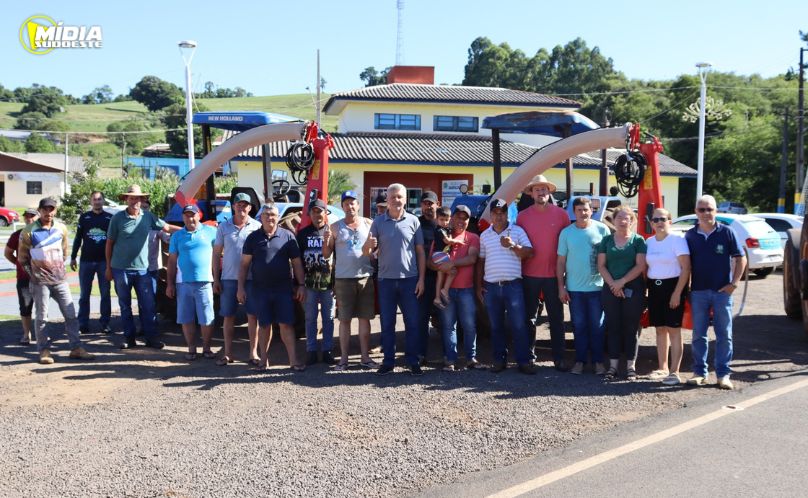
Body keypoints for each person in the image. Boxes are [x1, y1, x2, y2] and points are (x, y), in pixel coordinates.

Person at [18, 198, 94, 364]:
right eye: (45, 209)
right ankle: (44, 350)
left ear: (56, 211)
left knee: (71, 315)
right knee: (42, 317)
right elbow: (22, 258)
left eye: (52, 209)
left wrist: (57, 268)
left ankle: (76, 348)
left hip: (60, 280)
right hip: (40, 283)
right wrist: (33, 275)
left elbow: (64, 251)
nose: (49, 213)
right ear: (39, 210)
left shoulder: (61, 229)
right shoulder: (29, 231)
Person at [106, 184, 179, 350]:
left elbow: (166, 227)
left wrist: (190, 229)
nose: (135, 201)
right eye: (132, 198)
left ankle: (151, 338)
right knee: (125, 305)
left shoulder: (148, 217)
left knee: (148, 305)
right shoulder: (117, 219)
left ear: (141, 200)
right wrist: (109, 267)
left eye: (138, 198)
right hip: (121, 269)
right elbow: (109, 243)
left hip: (142, 269)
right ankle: (129, 338)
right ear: (126, 199)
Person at [685, 195, 746, 390]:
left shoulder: (727, 232)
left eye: (709, 209)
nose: (705, 213)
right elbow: (684, 265)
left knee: (724, 335)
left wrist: (733, 284)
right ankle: (699, 373)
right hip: (698, 292)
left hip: (722, 292)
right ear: (696, 212)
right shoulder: (690, 235)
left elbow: (740, 258)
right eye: (701, 209)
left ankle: (723, 374)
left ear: (716, 211)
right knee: (698, 335)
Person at [365, 183, 426, 376]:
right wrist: (369, 245)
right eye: (393, 197)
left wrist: (421, 279)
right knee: (387, 323)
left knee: (412, 323)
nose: (396, 200)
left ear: (405, 199)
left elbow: (420, 253)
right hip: (386, 280)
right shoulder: (378, 222)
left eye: (399, 197)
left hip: (410, 279)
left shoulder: (414, 221)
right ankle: (388, 362)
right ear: (387, 201)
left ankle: (412, 361)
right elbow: (368, 252)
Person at [238, 203, 306, 371]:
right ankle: (263, 360)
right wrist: (240, 287)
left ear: (278, 217)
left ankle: (293, 361)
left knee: (286, 324)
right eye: (266, 214)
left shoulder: (288, 236)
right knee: (264, 325)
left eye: (273, 215)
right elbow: (244, 265)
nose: (270, 217)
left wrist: (301, 285)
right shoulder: (253, 238)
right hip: (260, 290)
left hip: (283, 289)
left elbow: (297, 264)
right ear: (261, 217)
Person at [516, 174, 570, 370]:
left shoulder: (561, 215)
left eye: (544, 189)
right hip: (529, 275)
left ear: (549, 192)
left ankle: (559, 358)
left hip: (554, 276)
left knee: (556, 319)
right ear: (531, 193)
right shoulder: (522, 217)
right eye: (537, 189)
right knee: (529, 319)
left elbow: (568, 245)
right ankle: (529, 357)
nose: (541, 192)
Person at [476, 198, 536, 375]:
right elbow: (481, 261)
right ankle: (499, 360)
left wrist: (513, 246)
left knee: (518, 325)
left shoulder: (517, 231)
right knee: (496, 326)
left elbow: (530, 253)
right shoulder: (485, 235)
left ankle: (523, 361)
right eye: (495, 213)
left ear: (507, 214)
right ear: (491, 215)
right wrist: (478, 285)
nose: (499, 216)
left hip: (513, 285)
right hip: (491, 286)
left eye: (502, 213)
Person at [323, 191, 377, 371]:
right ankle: (344, 360)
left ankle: (365, 357)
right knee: (344, 320)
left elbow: (376, 251)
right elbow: (326, 254)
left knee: (365, 319)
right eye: (346, 203)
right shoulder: (335, 227)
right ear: (342, 206)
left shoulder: (369, 223)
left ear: (358, 205)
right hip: (343, 279)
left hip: (365, 277)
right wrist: (325, 241)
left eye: (353, 203)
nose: (350, 206)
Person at [557, 197, 610, 376]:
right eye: (579, 210)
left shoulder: (602, 229)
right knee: (579, 326)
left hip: (597, 288)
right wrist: (561, 287)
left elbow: (609, 258)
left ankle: (598, 363)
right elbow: (560, 261)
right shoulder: (566, 233)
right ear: (574, 212)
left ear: (591, 210)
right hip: (575, 289)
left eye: (586, 209)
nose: (583, 213)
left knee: (597, 326)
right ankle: (579, 361)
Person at [597, 206, 647, 381]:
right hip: (610, 289)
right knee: (613, 327)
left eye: (627, 218)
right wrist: (613, 284)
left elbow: (640, 265)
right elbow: (601, 265)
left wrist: (621, 282)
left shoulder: (638, 240)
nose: (623, 221)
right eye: (619, 218)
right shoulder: (606, 240)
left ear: (632, 221)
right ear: (614, 220)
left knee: (631, 328)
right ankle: (612, 367)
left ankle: (630, 367)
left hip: (633, 289)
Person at [212, 192, 261, 366]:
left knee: (252, 316)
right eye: (238, 204)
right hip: (228, 279)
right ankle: (227, 353)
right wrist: (216, 279)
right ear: (233, 206)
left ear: (250, 207)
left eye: (245, 205)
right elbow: (216, 254)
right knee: (228, 316)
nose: (242, 207)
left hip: (251, 279)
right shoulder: (223, 227)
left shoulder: (256, 226)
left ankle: (253, 353)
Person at [645, 208, 691, 386]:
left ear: (669, 221)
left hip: (673, 288)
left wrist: (677, 293)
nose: (658, 222)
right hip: (654, 289)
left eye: (662, 219)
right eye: (655, 219)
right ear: (651, 223)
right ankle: (662, 368)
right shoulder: (649, 242)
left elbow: (686, 269)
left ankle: (674, 372)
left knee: (673, 330)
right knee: (660, 329)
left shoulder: (677, 240)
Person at [166, 204, 217, 361]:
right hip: (183, 283)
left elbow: (218, 256)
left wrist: (218, 279)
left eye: (193, 215)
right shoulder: (177, 236)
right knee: (186, 317)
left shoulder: (211, 232)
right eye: (187, 215)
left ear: (199, 216)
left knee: (206, 318)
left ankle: (207, 348)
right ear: (183, 218)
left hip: (205, 282)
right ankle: (191, 348)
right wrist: (170, 284)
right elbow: (172, 261)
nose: (190, 218)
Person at [438, 205, 480, 371]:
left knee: (469, 325)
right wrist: (439, 266)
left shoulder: (472, 237)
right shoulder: (442, 236)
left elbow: (472, 259)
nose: (461, 221)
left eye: (465, 218)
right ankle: (450, 360)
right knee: (448, 326)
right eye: (458, 217)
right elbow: (432, 260)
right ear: (452, 217)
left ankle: (471, 358)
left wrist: (451, 264)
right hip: (446, 290)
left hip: (466, 290)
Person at [296, 199, 336, 366]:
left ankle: (327, 350)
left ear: (325, 213)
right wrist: (298, 284)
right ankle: (311, 350)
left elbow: (338, 257)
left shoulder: (332, 232)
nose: (317, 215)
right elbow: (297, 261)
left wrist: (337, 282)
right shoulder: (303, 234)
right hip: (309, 284)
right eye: (314, 211)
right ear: (309, 214)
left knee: (329, 318)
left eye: (320, 211)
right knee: (310, 318)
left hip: (329, 285)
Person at [70, 191, 113, 335]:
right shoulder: (84, 218)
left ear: (103, 201)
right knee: (84, 294)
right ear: (91, 201)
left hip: (104, 262)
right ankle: (83, 323)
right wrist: (73, 256)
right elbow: (78, 238)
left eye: (100, 199)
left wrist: (112, 262)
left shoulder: (109, 218)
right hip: (86, 261)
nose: (97, 202)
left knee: (105, 294)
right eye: (95, 199)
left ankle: (105, 323)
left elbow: (114, 241)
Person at [5, 208, 38, 345]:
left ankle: (42, 334)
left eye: (32, 216)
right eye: (27, 216)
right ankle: (26, 334)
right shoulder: (17, 235)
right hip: (24, 277)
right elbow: (8, 253)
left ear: (37, 217)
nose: (29, 218)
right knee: (25, 307)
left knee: (43, 307)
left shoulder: (43, 234)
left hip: (42, 277)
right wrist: (19, 264)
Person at [417, 190, 442, 361]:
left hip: (442, 279)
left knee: (445, 319)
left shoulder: (443, 224)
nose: (428, 207)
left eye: (431, 203)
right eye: (425, 203)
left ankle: (448, 356)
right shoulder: (415, 224)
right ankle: (420, 354)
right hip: (422, 279)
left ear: (437, 204)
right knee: (421, 319)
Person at [432, 205, 464, 309]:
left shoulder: (446, 229)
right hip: (440, 254)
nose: (444, 222)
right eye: (441, 220)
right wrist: (458, 241)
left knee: (440, 277)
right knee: (453, 271)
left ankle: (437, 298)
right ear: (437, 219)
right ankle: (445, 290)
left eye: (446, 220)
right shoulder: (440, 230)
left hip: (439, 255)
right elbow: (447, 241)